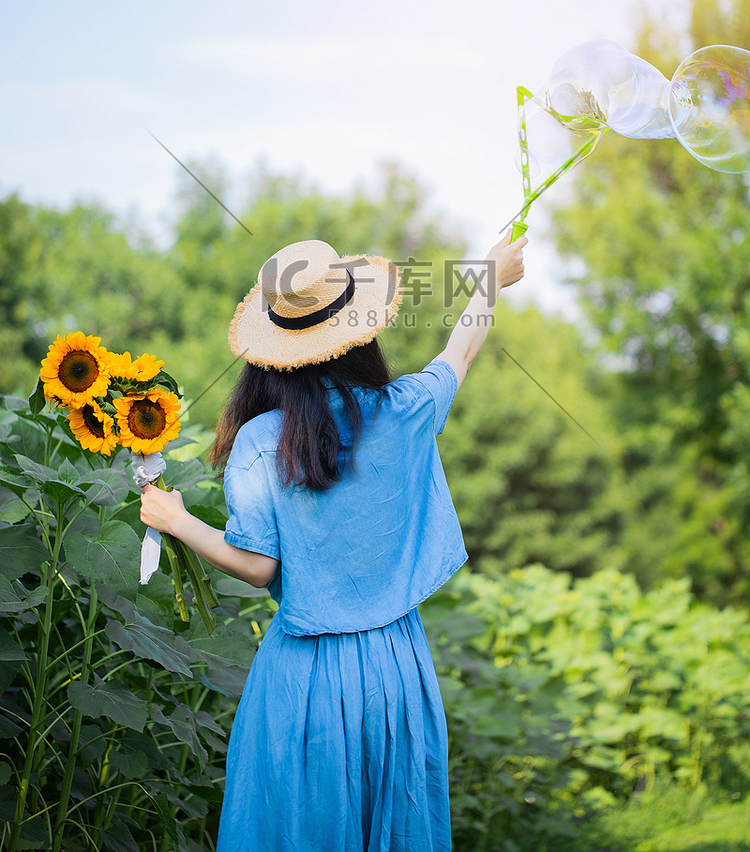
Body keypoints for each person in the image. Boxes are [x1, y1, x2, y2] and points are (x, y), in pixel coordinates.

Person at [140, 232, 526, 852]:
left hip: (306, 678)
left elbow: (259, 566)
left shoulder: (261, 442)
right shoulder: (404, 409)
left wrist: (176, 519)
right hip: (398, 667)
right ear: (359, 334)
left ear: (271, 354)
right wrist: (488, 278)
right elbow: (462, 347)